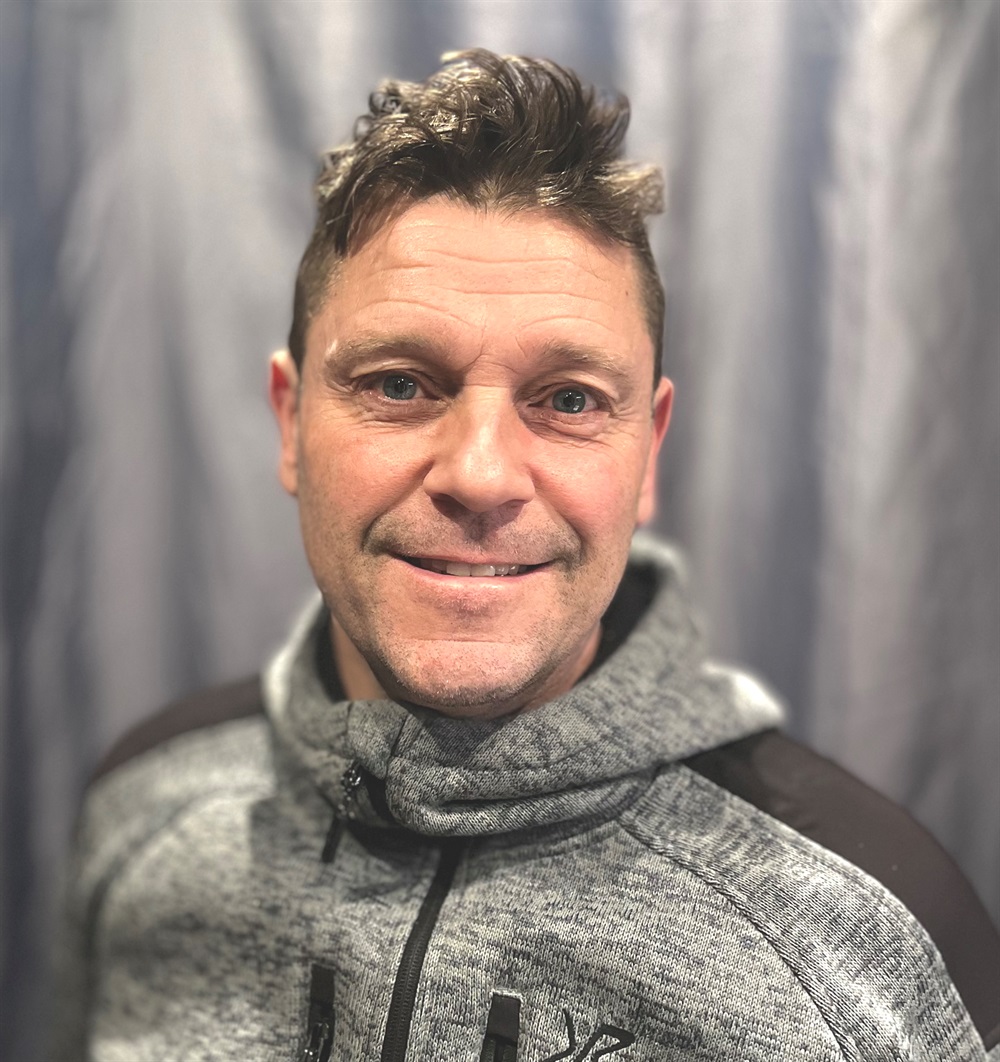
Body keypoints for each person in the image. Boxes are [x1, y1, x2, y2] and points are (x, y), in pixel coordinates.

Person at [55, 50, 998, 1061]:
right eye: (400, 384)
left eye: (570, 400)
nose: (481, 474)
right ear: (290, 423)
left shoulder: (866, 946)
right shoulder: (143, 815)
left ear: (647, 453)